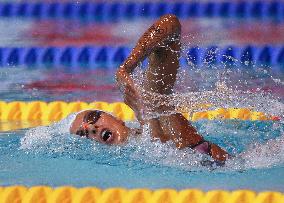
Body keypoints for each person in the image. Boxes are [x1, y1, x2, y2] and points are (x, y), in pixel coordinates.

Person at [70, 14, 229, 163]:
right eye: (83, 135)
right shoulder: (133, 156)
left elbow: (170, 23)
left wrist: (126, 67)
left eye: (92, 117)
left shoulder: (150, 115)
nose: (91, 127)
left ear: (117, 118)